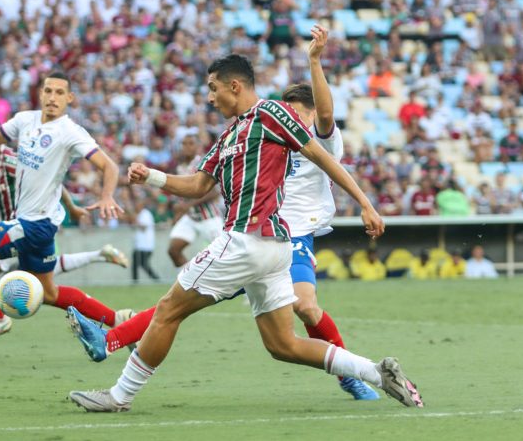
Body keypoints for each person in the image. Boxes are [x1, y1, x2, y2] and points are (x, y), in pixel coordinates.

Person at [66, 54, 423, 412]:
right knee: (284, 345)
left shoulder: (270, 113)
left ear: (234, 86)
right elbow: (196, 185)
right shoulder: (229, 136)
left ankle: (118, 396)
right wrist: (153, 177)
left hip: (247, 240)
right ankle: (378, 373)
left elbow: (321, 155)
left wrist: (365, 202)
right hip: (271, 250)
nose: (209, 97)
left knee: (168, 310)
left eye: (212, 88)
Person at [0, 71, 124, 359]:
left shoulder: (71, 132)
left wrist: (106, 196)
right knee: (49, 294)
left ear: (69, 98)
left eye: (59, 93)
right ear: (40, 94)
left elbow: (110, 167)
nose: (52, 98)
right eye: (48, 91)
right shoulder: (24, 120)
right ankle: (118, 321)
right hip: (38, 225)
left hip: (33, 224)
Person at [167, 135, 223, 267]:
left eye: (190, 143)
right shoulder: (181, 167)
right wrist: (179, 211)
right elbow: (183, 193)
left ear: (198, 147)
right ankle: (190, 282)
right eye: (184, 143)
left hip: (209, 217)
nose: (186, 147)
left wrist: (188, 205)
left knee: (223, 256)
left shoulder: (203, 163)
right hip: (191, 218)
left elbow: (214, 191)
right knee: (173, 251)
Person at [131, 197, 160, 283]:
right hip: (139, 245)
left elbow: (143, 227)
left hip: (145, 245)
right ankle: (135, 281)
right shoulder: (139, 214)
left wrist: (134, 220)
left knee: (142, 264)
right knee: (137, 264)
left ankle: (155, 279)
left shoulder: (145, 214)